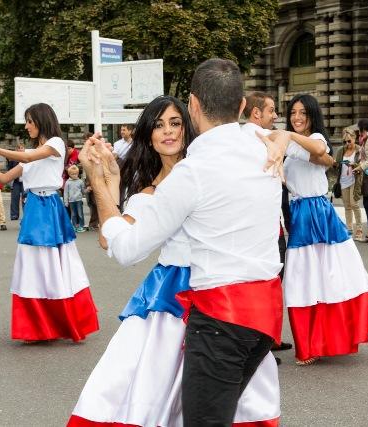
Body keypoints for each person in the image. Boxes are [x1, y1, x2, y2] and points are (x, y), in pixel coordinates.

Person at [82, 58, 287, 426]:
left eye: (175, 122)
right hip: (261, 314)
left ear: (192, 107)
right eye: (159, 126)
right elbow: (295, 141)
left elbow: (126, 249)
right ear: (243, 107)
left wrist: (99, 185)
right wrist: (283, 137)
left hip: (218, 313)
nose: (169, 132)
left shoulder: (193, 173)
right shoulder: (259, 146)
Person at [0, 103, 99, 342]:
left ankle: (60, 322)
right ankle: (38, 328)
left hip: (49, 207)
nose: (28, 126)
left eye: (30, 121)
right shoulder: (33, 154)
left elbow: (27, 155)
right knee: (31, 267)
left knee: (56, 265)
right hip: (33, 208)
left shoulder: (55, 144)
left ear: (42, 120)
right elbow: (2, 178)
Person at [283, 93, 368, 366]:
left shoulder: (315, 137)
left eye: (302, 112)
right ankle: (309, 344)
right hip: (300, 213)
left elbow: (318, 151)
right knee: (302, 280)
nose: (297, 117)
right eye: (293, 112)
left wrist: (285, 138)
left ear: (313, 114)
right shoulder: (290, 144)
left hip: (317, 213)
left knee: (330, 277)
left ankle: (320, 342)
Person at [241, 91, 298, 358]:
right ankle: (260, 344)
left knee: (269, 286)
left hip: (261, 226)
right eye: (271, 110)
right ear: (256, 113)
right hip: (264, 229)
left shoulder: (251, 138)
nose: (275, 116)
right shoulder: (257, 139)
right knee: (267, 286)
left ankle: (269, 339)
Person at [334, 127, 364, 240]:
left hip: (354, 180)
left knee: (354, 204)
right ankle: (349, 228)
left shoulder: (360, 150)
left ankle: (359, 229)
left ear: (354, 138)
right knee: (347, 206)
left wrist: (354, 165)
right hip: (343, 180)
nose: (347, 143)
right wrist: (335, 164)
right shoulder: (341, 150)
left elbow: (364, 165)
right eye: (345, 142)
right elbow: (336, 164)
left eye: (349, 141)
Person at [64, 165, 87, 232]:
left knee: (80, 213)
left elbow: (83, 191)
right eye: (72, 174)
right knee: (73, 214)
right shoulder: (67, 183)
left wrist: (87, 190)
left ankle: (81, 226)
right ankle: (74, 226)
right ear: (69, 174)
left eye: (76, 174)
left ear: (78, 173)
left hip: (79, 200)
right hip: (71, 201)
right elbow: (66, 192)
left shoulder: (80, 182)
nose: (74, 175)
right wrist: (66, 201)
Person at [7, 142, 26, 220]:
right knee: (15, 198)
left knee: (25, 198)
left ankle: (26, 214)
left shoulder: (27, 158)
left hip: (25, 181)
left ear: (24, 149)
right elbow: (10, 169)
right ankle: (14, 215)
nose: (20, 149)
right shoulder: (13, 160)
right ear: (16, 150)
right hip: (16, 181)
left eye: (22, 148)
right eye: (19, 148)